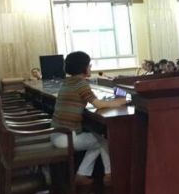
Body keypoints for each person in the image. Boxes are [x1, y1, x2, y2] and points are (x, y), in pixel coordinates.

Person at [50, 51, 129, 185]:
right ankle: (108, 175)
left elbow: (93, 101)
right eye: (89, 65)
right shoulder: (81, 84)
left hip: (56, 133)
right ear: (83, 67)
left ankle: (84, 174)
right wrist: (120, 102)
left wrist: (110, 102)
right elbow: (98, 104)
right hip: (66, 137)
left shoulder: (68, 82)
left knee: (97, 138)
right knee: (102, 140)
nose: (90, 67)